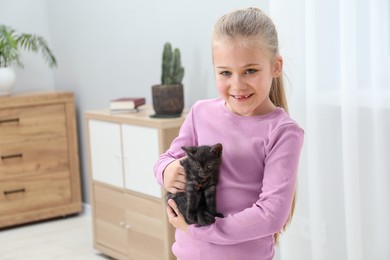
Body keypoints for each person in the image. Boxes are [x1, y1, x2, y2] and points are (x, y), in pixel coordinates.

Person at [154, 7, 304, 260]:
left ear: (276, 66)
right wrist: (167, 171)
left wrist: (202, 231)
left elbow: (271, 214)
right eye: (225, 72)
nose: (237, 84)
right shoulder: (200, 112)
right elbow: (166, 159)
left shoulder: (282, 132)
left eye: (250, 71)